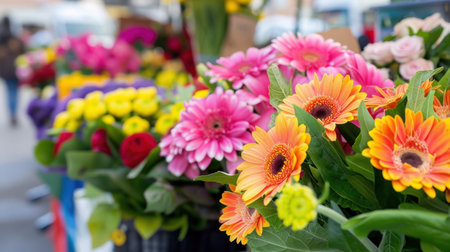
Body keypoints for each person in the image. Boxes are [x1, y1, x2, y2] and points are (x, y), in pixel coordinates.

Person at [0, 16, 24, 126]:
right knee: (14, 91)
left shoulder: (1, 38)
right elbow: (23, 53)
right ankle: (13, 113)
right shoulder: (15, 38)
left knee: (9, 91)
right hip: (15, 69)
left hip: (4, 69)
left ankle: (11, 113)